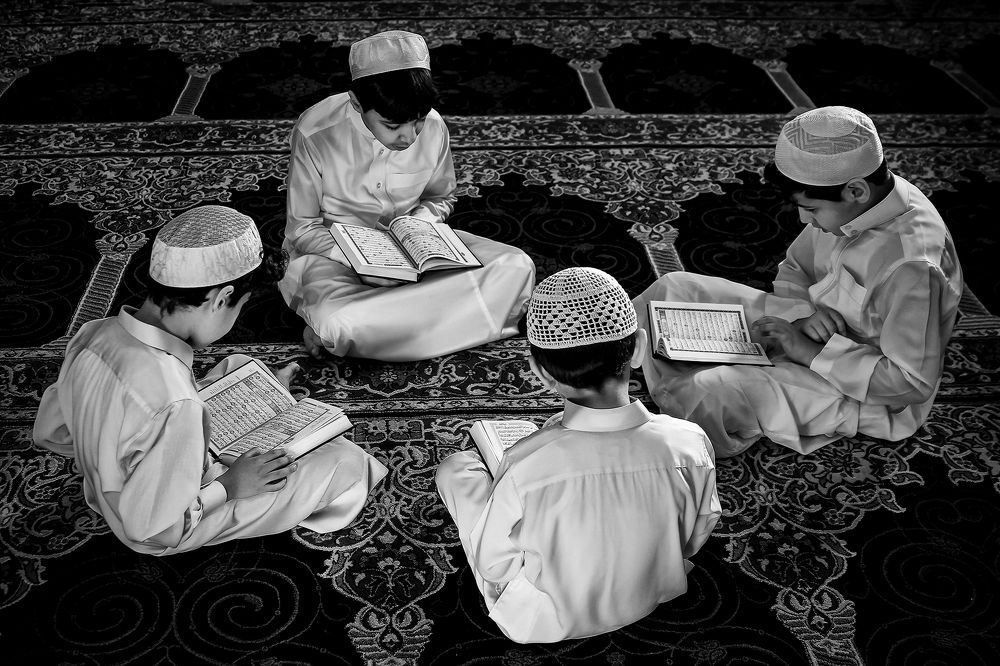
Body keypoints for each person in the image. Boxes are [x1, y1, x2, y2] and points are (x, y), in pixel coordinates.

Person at [33, 205, 388, 555]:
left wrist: (111, 454)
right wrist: (230, 485)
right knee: (346, 461)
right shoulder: (177, 406)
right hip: (160, 521)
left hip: (113, 483)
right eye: (239, 307)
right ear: (222, 299)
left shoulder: (94, 334)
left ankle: (258, 405)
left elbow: (51, 432)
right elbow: (157, 530)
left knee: (240, 366)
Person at [633, 105, 964, 457]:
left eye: (812, 209)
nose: (805, 220)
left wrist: (807, 351)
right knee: (672, 289)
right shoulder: (858, 201)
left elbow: (909, 382)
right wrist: (803, 319)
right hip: (808, 327)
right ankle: (624, 361)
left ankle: (671, 383)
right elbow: (796, 268)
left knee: (706, 391)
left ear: (856, 190)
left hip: (861, 386)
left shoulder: (912, 265)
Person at [436, 267, 721, 643]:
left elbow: (495, 566)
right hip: (652, 592)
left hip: (545, 620)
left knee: (456, 469)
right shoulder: (690, 442)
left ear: (541, 373)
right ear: (638, 348)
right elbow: (697, 532)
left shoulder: (525, 463)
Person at [280, 29, 535, 361]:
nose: (409, 137)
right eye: (392, 125)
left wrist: (418, 226)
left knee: (516, 266)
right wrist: (358, 261)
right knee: (337, 320)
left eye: (417, 122)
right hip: (334, 255)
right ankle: (444, 315)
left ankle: (379, 327)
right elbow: (302, 229)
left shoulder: (434, 126)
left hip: (415, 248)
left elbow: (440, 197)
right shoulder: (315, 132)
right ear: (356, 103)